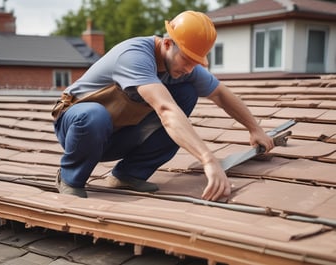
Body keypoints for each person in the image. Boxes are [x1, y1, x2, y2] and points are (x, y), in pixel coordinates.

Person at [52, 10, 274, 201]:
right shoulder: (135, 56)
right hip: (78, 128)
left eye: (196, 63)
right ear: (167, 44)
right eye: (186, 60)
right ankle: (71, 177)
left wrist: (254, 128)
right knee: (94, 115)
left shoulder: (183, 66)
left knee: (186, 93)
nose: (190, 69)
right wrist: (208, 159)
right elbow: (166, 111)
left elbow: (221, 94)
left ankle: (128, 175)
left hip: (116, 134)